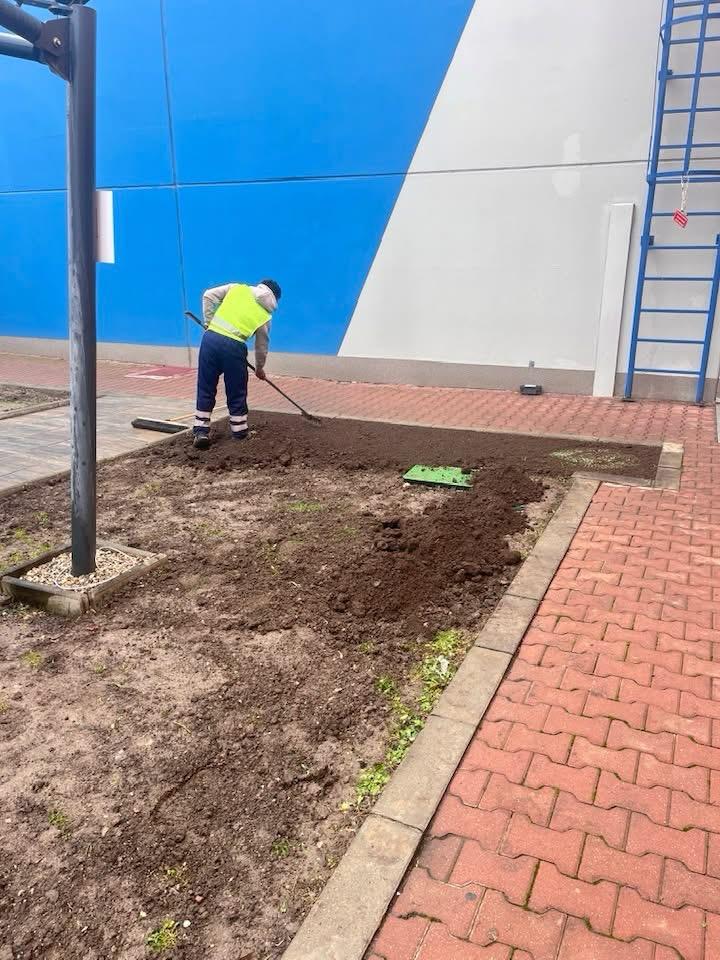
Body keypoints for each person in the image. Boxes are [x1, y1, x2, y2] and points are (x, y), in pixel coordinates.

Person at [192, 279, 281, 450]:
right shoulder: (265, 315)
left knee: (206, 386)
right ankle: (239, 432)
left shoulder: (237, 288)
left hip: (210, 340)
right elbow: (261, 346)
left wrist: (209, 323)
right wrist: (259, 368)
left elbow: (208, 295)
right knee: (236, 389)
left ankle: (201, 431)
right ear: (275, 298)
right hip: (234, 347)